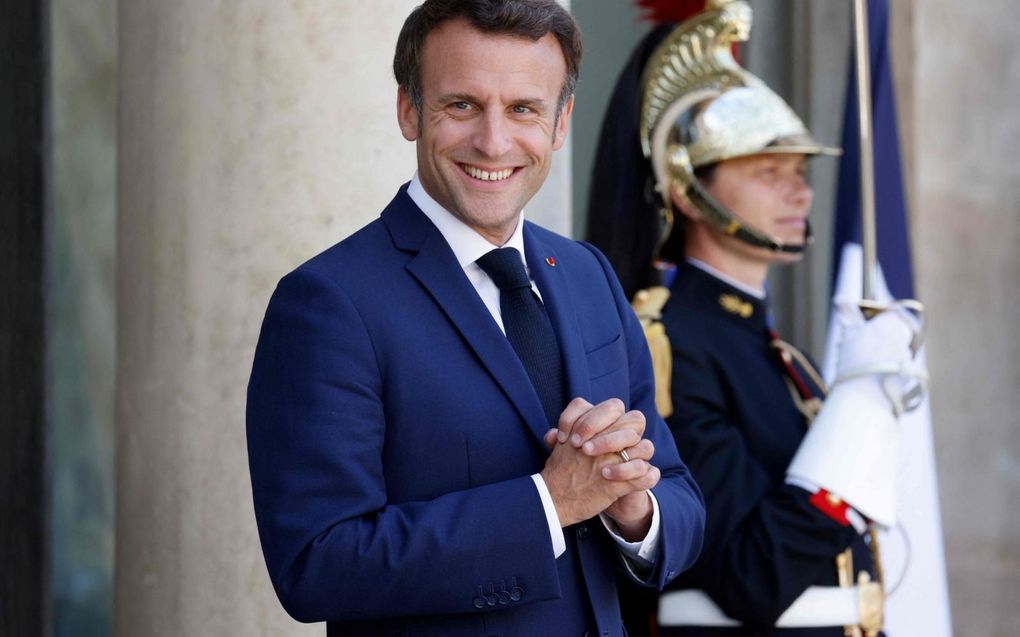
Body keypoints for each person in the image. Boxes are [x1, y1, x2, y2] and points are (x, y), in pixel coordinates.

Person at [246, 2, 706, 635]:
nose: (494, 141)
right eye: (461, 105)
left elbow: (679, 493)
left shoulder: (587, 275)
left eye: (523, 109)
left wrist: (634, 510)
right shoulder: (328, 304)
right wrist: (550, 503)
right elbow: (317, 562)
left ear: (560, 121)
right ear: (409, 110)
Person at [586, 1, 926, 636]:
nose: (800, 192)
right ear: (688, 193)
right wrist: (855, 415)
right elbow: (751, 575)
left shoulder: (770, 348)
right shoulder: (671, 344)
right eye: (769, 172)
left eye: (799, 171)